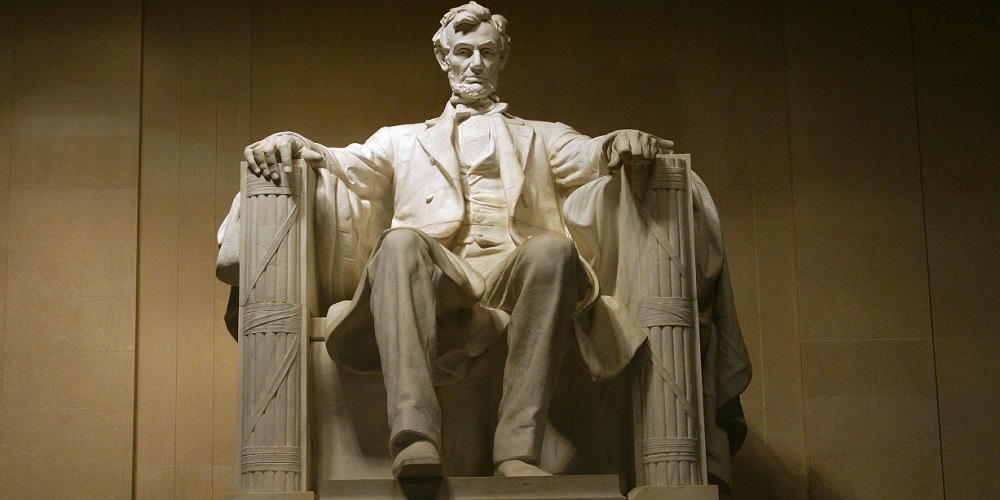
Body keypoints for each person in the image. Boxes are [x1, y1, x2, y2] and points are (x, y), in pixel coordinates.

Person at [239, 2, 748, 485]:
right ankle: (414, 436)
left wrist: (620, 140)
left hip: (517, 275)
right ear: (444, 58)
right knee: (398, 244)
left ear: (502, 58)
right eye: (464, 52)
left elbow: (593, 155)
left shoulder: (542, 135)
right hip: (438, 278)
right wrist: (293, 142)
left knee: (553, 249)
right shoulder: (399, 138)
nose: (476, 63)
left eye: (487, 52)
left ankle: (517, 450)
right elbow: (342, 162)